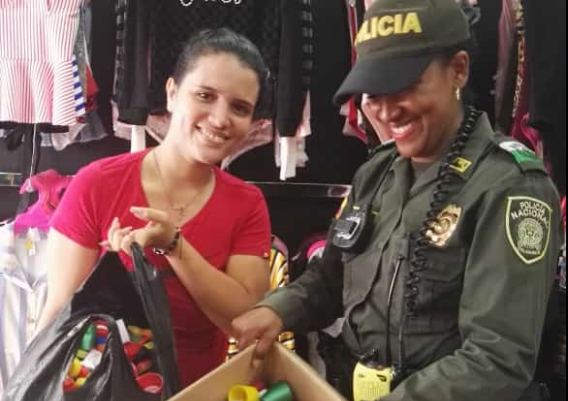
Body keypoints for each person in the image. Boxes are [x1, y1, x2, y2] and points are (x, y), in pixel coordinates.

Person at [232, 1, 563, 400]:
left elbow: (497, 360)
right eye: (373, 92)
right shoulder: (376, 172)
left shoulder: (510, 186)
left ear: (458, 69)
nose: (386, 111)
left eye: (405, 86)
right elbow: (331, 280)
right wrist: (277, 310)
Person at [37, 29, 272, 387]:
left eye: (239, 108)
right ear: (172, 93)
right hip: (103, 388)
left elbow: (241, 320)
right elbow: (59, 312)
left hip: (198, 390)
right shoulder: (98, 183)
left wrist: (173, 246)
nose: (220, 118)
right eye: (205, 96)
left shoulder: (247, 203)